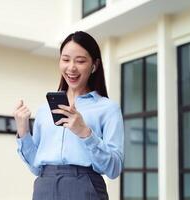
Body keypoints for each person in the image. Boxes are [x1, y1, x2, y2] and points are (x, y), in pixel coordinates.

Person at [13, 31, 124, 200]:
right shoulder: (45, 110)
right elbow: (37, 167)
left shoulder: (108, 109)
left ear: (94, 65)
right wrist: (23, 133)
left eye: (80, 61)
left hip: (85, 187)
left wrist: (85, 133)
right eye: (65, 59)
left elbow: (114, 168)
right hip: (45, 187)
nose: (71, 67)